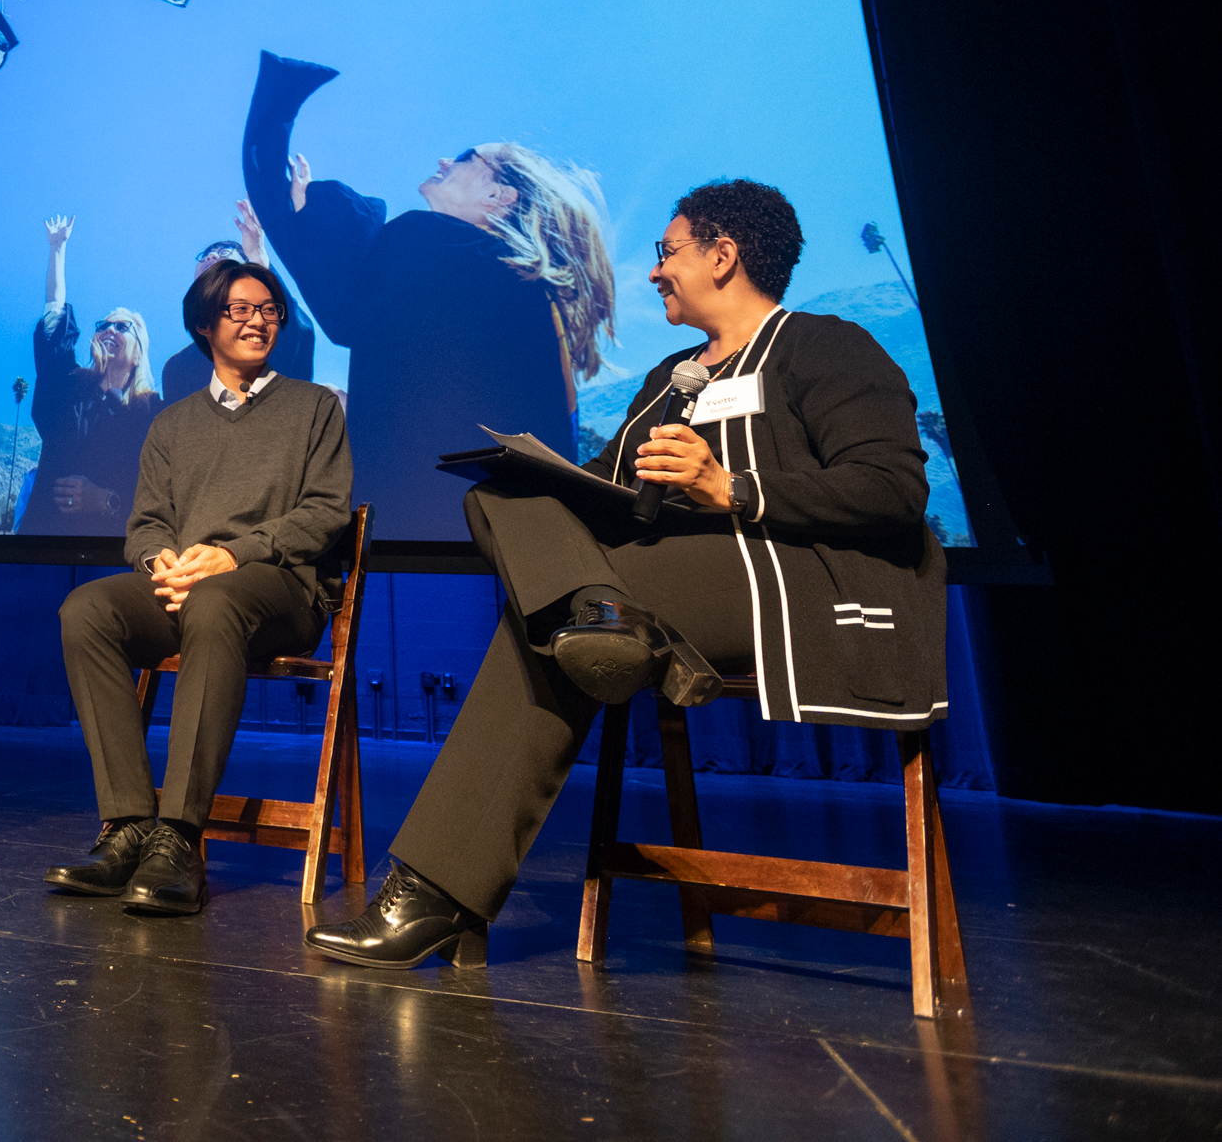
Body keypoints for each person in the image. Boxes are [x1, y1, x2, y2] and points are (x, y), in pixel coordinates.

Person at [304, 180, 942, 969]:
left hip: (773, 576)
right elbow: (606, 496)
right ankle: (600, 621)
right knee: (505, 502)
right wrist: (549, 480)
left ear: (723, 254)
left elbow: (892, 487)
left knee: (544, 631)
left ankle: (439, 890)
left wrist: (730, 488)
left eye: (666, 253)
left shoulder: (827, 345)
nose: (653, 273)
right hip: (655, 576)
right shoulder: (671, 378)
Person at [47, 260, 352, 914]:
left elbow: (325, 512)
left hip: (279, 590)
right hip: (187, 587)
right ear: (205, 325)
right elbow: (146, 524)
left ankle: (179, 835)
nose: (258, 320)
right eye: (240, 309)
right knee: (87, 609)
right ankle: (129, 825)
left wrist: (231, 555)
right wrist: (164, 562)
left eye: (268, 309)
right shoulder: (171, 423)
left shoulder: (314, 407)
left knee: (216, 601)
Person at [242, 51, 615, 538]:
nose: (444, 160)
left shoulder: (431, 240)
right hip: (516, 540)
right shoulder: (527, 290)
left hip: (421, 534)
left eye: (465, 157)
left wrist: (310, 218)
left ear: (499, 197)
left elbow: (345, 312)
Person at [18, 214, 161, 534]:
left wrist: (106, 500)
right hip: (44, 543)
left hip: (111, 556)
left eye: (122, 326)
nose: (109, 329)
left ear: (138, 352)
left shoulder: (151, 412)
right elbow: (54, 319)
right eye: (104, 325)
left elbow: (159, 490)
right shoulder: (71, 389)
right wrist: (57, 250)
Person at [159, 199, 318, 401]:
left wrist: (259, 262)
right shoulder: (179, 368)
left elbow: (296, 337)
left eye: (225, 251)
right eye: (206, 254)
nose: (212, 255)